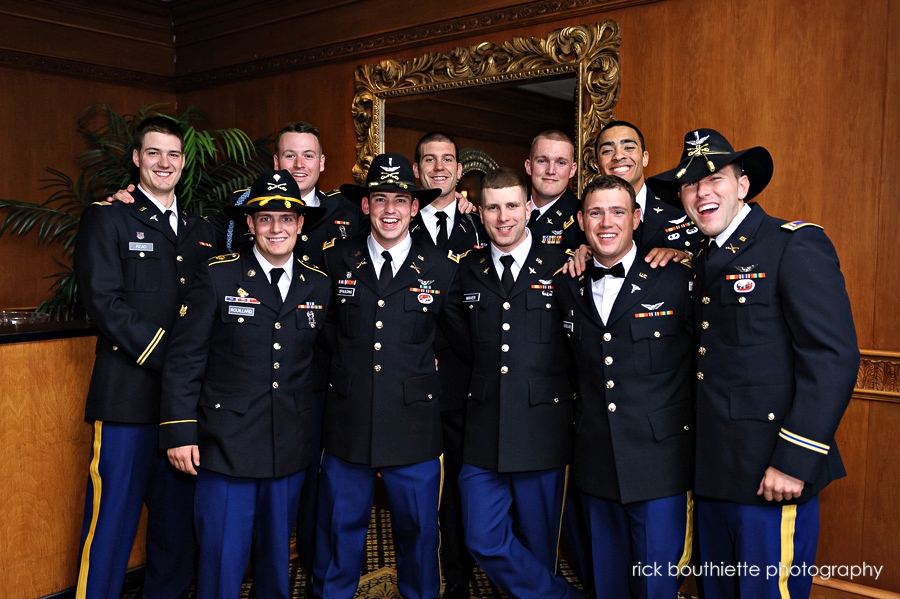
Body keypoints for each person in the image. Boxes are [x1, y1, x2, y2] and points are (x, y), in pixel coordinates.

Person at [648, 128, 860, 598]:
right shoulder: (700, 259)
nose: (702, 192)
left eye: (714, 178)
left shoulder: (792, 245)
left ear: (742, 185)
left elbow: (833, 358)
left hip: (772, 474)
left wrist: (795, 459)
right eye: (689, 184)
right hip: (713, 473)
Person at [159, 169, 329, 599]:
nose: (277, 228)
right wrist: (180, 431)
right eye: (266, 218)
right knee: (221, 562)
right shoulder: (218, 276)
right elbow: (185, 358)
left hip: (287, 446)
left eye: (287, 219)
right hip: (225, 446)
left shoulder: (319, 285)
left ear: (300, 224)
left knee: (276, 563)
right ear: (250, 224)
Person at [73, 116, 219, 599]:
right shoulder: (109, 216)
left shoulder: (203, 230)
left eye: (173, 154)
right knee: (110, 525)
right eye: (153, 153)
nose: (164, 162)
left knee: (176, 532)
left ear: (183, 163)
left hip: (181, 412)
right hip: (126, 402)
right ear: (136, 159)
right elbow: (104, 302)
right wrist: (175, 358)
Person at [313, 153, 462, 599]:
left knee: (419, 537)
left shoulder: (442, 267)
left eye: (400, 199)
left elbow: (455, 338)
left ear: (415, 208)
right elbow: (322, 330)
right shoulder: (337, 261)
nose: (390, 210)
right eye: (380, 199)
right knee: (339, 534)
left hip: (413, 425)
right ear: (366, 206)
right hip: (349, 419)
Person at [555, 175, 694, 598]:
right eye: (595, 212)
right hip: (595, 460)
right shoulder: (566, 283)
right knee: (606, 583)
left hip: (659, 463)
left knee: (655, 587)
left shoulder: (675, 278)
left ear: (636, 218)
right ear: (581, 220)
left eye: (618, 211)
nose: (606, 222)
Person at [456, 167, 581, 599]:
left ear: (528, 207)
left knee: (538, 547)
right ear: (481, 212)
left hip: (542, 429)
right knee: (482, 538)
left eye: (512, 205)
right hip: (483, 430)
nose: (503, 217)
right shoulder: (466, 269)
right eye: (492, 207)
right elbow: (459, 342)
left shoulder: (564, 264)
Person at [410, 132, 484, 599]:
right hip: (411, 379)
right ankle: (416, 573)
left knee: (458, 486)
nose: (439, 167)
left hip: (462, 380)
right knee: (414, 490)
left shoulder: (483, 226)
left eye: (448, 160)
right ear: (416, 171)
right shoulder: (397, 220)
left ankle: (457, 576)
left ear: (460, 170)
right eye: (429, 160)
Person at [595, 120, 703, 256]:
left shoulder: (680, 205)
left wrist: (683, 258)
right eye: (607, 151)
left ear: (645, 158)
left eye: (628, 148)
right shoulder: (584, 217)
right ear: (597, 165)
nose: (618, 156)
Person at [525, 130, 585, 253]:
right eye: (542, 161)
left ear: (573, 170)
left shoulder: (584, 216)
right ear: (528, 166)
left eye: (561, 163)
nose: (551, 170)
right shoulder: (509, 209)